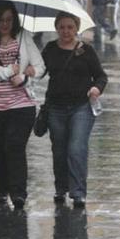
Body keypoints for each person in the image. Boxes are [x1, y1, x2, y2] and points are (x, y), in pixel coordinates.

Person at [0, 1, 46, 210]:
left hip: (21, 104)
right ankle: (1, 190)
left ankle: (18, 193)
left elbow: (40, 66)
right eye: (0, 20)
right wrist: (7, 72)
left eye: (8, 20)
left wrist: (25, 77)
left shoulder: (24, 37)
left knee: (15, 146)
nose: (5, 24)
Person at [40, 11, 108, 208]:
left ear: (77, 28)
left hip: (82, 107)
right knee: (59, 150)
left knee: (76, 148)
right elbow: (39, 69)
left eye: (70, 27)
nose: (66, 31)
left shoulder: (86, 50)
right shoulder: (50, 48)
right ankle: (61, 188)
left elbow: (101, 76)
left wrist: (96, 88)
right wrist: (28, 68)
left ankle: (78, 192)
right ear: (56, 28)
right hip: (56, 108)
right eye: (62, 27)